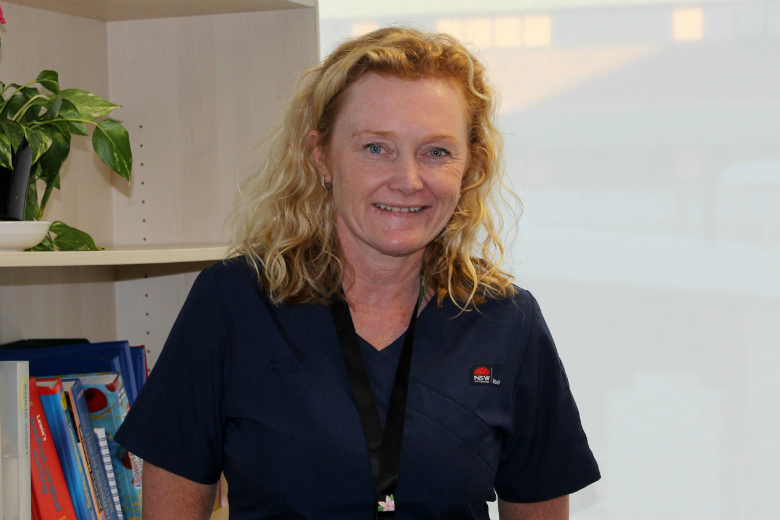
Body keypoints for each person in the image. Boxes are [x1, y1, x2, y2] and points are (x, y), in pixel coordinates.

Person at [115, 27, 600, 520]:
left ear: (469, 166)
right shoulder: (234, 303)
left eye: (436, 152)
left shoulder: (506, 322)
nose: (408, 181)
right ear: (321, 155)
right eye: (375, 148)